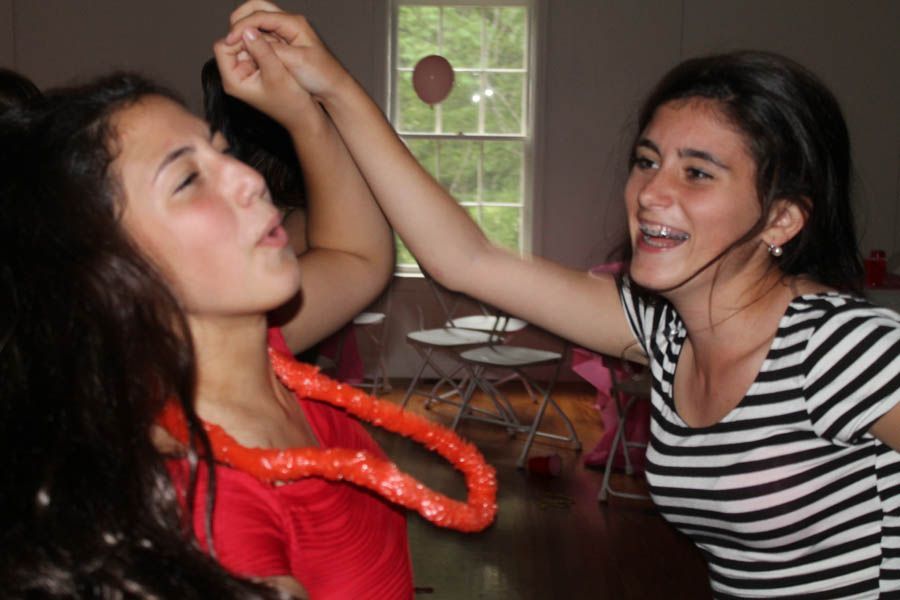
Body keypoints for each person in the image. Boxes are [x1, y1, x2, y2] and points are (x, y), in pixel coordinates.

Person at [223, 4, 900, 596]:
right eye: (647, 160)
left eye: (698, 172)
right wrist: (332, 86)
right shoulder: (666, 336)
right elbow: (465, 258)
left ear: (782, 220)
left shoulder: (840, 348)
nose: (652, 193)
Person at [1, 6, 413, 597]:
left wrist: (304, 112)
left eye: (221, 152)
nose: (249, 179)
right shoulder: (212, 514)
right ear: (112, 269)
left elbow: (357, 257)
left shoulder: (254, 348)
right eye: (188, 180)